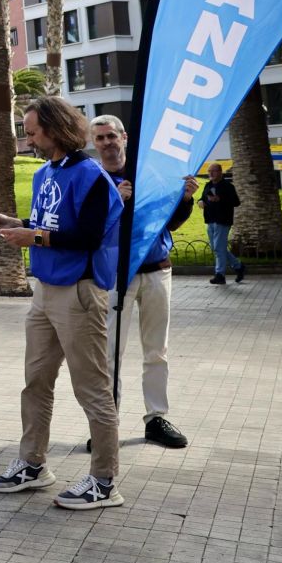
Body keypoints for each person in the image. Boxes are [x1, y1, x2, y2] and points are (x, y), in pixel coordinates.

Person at [0, 97, 125, 510]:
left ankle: (104, 479)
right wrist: (17, 224)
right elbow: (52, 223)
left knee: (93, 389)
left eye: (32, 131)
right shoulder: (46, 173)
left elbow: (89, 236)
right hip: (44, 291)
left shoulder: (91, 176)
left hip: (78, 292)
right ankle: (33, 464)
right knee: (36, 382)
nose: (27, 138)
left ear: (57, 129)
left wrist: (36, 238)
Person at [92, 116, 192, 449]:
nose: (107, 142)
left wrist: (187, 199)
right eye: (100, 138)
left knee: (157, 351)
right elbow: (89, 229)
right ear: (94, 143)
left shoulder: (148, 173)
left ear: (125, 136)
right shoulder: (95, 179)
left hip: (156, 269)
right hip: (116, 275)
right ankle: (107, 425)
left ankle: (156, 418)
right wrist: (114, 200)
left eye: (112, 136)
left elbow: (170, 223)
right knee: (108, 354)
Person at [200, 163, 244, 284]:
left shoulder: (228, 186)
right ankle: (238, 266)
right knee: (217, 248)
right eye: (209, 171)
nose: (211, 174)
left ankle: (220, 275)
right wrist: (200, 202)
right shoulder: (207, 185)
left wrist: (220, 199)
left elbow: (236, 202)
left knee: (219, 249)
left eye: (213, 171)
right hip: (210, 220)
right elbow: (202, 198)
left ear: (220, 172)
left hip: (223, 220)